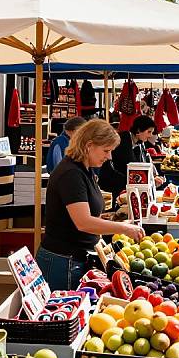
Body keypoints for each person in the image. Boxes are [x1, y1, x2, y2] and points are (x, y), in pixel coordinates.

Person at [36, 120, 145, 290]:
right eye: (106, 151)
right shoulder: (71, 174)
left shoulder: (84, 170)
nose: (109, 157)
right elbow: (83, 222)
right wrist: (123, 228)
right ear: (89, 146)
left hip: (73, 260)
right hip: (63, 262)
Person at [99, 115, 164, 201]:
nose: (150, 135)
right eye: (149, 132)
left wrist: (154, 175)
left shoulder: (139, 142)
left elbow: (145, 161)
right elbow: (129, 166)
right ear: (138, 131)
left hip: (126, 185)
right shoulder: (123, 140)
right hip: (114, 185)